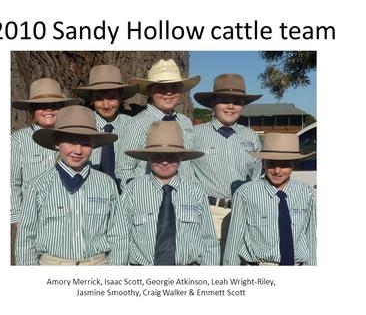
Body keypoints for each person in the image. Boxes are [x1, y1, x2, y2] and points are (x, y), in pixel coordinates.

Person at [15, 105, 128, 265]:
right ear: (56, 143)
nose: (78, 150)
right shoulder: (38, 186)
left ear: (94, 144)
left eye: (85, 143)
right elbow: (26, 239)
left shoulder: (106, 183)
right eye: (70, 142)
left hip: (97, 265)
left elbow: (119, 234)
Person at [121, 121, 219, 265]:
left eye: (171, 155)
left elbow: (208, 238)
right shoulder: (132, 190)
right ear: (148, 157)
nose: (165, 162)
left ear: (181, 157)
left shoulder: (196, 190)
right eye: (158, 155)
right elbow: (122, 236)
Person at [192, 73, 262, 257]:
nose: (231, 106)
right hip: (209, 213)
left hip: (244, 214)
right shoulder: (194, 135)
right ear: (214, 103)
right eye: (224, 100)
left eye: (237, 102)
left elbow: (257, 176)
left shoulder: (251, 137)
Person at [10, 78, 79, 264]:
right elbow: (11, 182)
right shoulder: (18, 141)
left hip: (72, 216)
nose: (49, 109)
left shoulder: (73, 139)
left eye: (55, 105)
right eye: (42, 106)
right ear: (32, 110)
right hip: (34, 219)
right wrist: (18, 219)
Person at [223, 132, 316, 266]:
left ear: (294, 165)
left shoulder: (306, 193)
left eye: (284, 164)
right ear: (263, 163)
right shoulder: (245, 193)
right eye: (271, 163)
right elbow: (234, 240)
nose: (277, 170)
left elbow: (312, 238)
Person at [116, 59, 200, 188]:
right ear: (150, 91)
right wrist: (140, 196)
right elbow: (124, 170)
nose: (168, 92)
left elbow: (190, 165)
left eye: (174, 86)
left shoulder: (185, 122)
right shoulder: (137, 124)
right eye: (161, 87)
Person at [73, 64, 138, 189]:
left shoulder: (133, 125)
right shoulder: (82, 125)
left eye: (112, 98)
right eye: (99, 99)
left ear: (120, 98)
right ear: (92, 99)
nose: (106, 105)